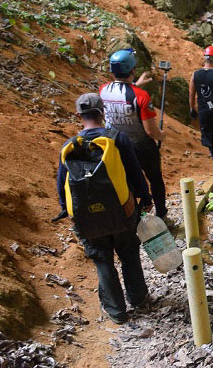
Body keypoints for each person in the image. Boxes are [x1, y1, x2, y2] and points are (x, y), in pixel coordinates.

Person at [56, 93, 150, 325]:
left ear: (78, 115)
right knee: (128, 252)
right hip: (122, 210)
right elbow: (134, 172)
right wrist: (145, 197)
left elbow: (61, 184)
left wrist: (65, 210)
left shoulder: (69, 146)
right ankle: (138, 298)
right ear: (103, 112)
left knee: (102, 260)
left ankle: (116, 311)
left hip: (86, 217)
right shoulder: (117, 139)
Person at [99, 49, 170, 224]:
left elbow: (124, 95)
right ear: (132, 70)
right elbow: (150, 131)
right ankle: (161, 214)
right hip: (141, 146)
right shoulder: (141, 96)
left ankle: (132, 218)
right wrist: (162, 136)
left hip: (116, 144)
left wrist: (137, 84)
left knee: (127, 181)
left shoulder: (103, 90)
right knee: (155, 179)